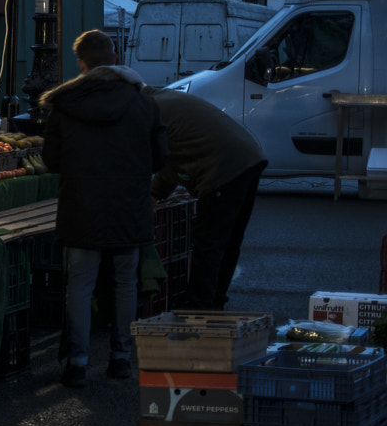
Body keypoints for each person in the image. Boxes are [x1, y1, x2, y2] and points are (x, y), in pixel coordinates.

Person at [41, 29, 169, 387]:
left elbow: (51, 160)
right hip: (129, 205)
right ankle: (121, 358)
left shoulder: (64, 104)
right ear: (114, 58)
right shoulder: (144, 103)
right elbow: (160, 157)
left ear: (81, 63)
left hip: (82, 205)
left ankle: (78, 363)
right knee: (125, 282)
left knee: (80, 284)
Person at [147, 87, 268, 310]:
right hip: (249, 158)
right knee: (229, 242)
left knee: (209, 243)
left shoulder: (149, 110)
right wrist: (157, 191)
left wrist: (154, 194)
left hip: (223, 168)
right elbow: (174, 155)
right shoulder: (168, 98)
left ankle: (199, 304)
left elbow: (164, 157)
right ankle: (215, 300)